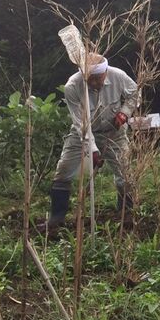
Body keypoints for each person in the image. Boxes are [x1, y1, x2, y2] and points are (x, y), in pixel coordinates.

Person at [42, 52, 138, 233]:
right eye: (90, 79)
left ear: (105, 73)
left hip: (114, 132)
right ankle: (56, 218)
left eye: (97, 78)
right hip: (82, 133)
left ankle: (126, 213)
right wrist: (92, 150)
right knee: (63, 170)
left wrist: (125, 112)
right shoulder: (73, 86)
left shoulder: (118, 76)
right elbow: (81, 123)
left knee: (125, 173)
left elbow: (134, 93)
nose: (94, 83)